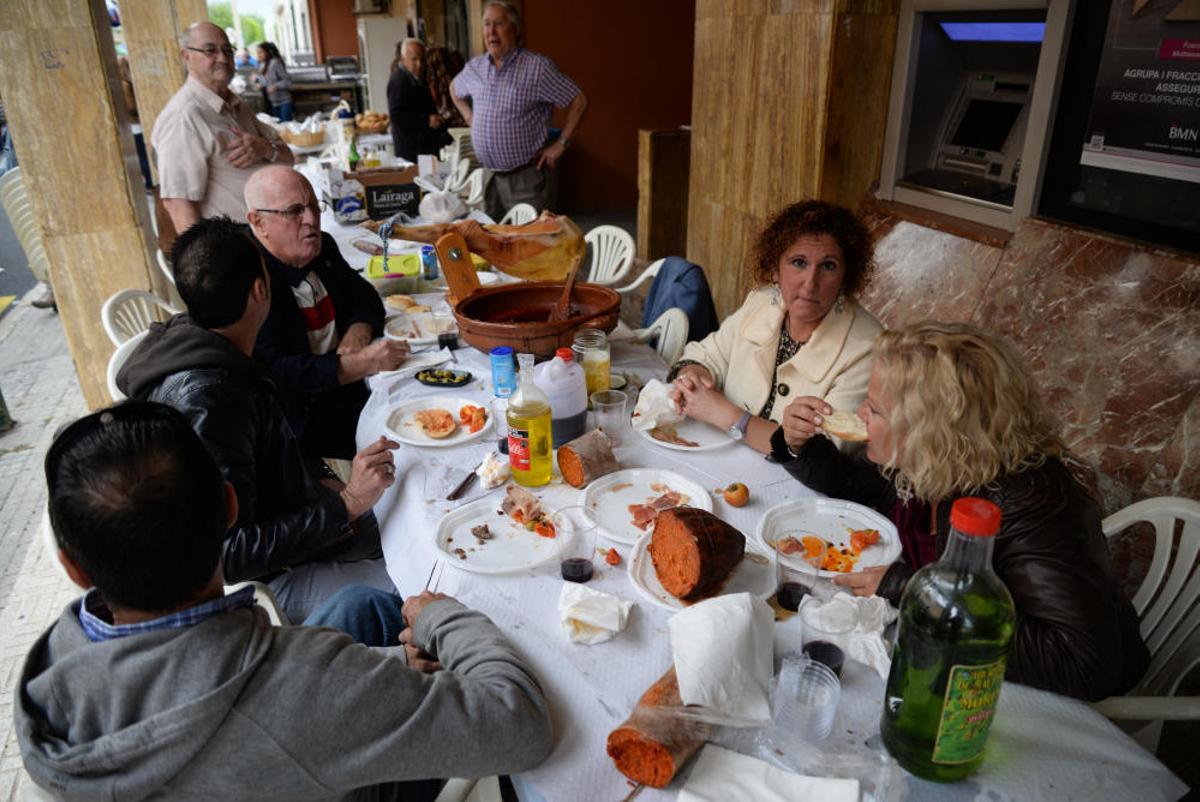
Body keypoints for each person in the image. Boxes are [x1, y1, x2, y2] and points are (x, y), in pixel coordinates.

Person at [16, 401, 555, 800]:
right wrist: (441, 617)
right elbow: (523, 726)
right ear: (230, 507)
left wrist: (389, 667)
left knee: (363, 606)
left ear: (73, 569)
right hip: (326, 757)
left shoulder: (48, 672)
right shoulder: (312, 683)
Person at [772, 321, 1150, 701]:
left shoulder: (1032, 505)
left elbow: (1080, 662)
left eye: (876, 409)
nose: (860, 413)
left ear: (930, 429)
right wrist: (798, 444)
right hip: (935, 648)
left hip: (1020, 695)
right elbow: (855, 484)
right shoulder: (935, 461)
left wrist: (911, 590)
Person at [117, 216, 399, 623]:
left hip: (299, 521)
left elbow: (273, 449)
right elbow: (229, 554)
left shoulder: (216, 342)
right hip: (262, 584)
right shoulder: (210, 400)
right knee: (420, 584)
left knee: (410, 522)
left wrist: (324, 481)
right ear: (261, 290)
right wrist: (347, 504)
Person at [670, 200, 883, 455]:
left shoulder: (868, 346)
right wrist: (694, 378)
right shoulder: (761, 303)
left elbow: (822, 452)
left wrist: (724, 414)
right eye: (799, 262)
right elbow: (706, 355)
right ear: (774, 269)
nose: (810, 283)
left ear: (845, 278)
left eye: (828, 266)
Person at [246, 165, 409, 459]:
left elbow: (365, 297)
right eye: (294, 211)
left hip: (354, 389)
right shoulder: (251, 282)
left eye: (314, 207)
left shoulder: (322, 249)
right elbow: (276, 373)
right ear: (259, 222)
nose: (311, 220)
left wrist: (358, 332)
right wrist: (358, 364)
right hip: (305, 424)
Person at [152, 21, 293, 235]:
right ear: (186, 56)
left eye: (228, 50)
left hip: (274, 236)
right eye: (210, 50)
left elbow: (288, 158)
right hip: (238, 243)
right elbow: (178, 204)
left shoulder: (234, 104)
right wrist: (206, 257)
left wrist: (265, 148)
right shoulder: (184, 116)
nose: (223, 58)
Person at [451, 0, 588, 220]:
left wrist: (561, 144)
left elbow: (578, 101)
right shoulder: (475, 67)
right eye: (486, 24)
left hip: (525, 179)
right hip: (489, 176)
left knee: (530, 238)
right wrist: (469, 117)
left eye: (498, 24)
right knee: (491, 237)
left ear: (514, 29)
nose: (491, 32)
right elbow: (454, 89)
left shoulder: (537, 67)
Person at [387, 38, 449, 162]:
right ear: (403, 59)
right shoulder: (399, 81)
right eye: (414, 59)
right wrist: (427, 120)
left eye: (422, 60)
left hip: (423, 148)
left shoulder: (416, 77)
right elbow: (396, 116)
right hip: (412, 151)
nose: (419, 64)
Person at [253, 41, 293, 122]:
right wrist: (258, 82)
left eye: (260, 52)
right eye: (257, 53)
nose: (258, 55)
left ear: (267, 52)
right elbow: (266, 82)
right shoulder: (262, 65)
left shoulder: (275, 62)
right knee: (277, 126)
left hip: (284, 102)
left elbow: (287, 81)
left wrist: (276, 86)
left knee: (285, 125)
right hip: (273, 103)